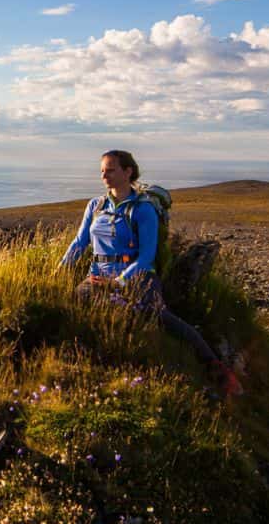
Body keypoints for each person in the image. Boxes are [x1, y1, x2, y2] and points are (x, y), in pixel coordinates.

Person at [59, 149, 242, 396]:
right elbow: (79, 243)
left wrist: (119, 282)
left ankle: (214, 366)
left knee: (158, 316)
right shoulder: (95, 205)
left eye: (111, 170)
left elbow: (146, 257)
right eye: (102, 170)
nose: (105, 176)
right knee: (72, 304)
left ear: (128, 171)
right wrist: (59, 271)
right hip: (97, 275)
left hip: (137, 277)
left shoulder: (142, 210)